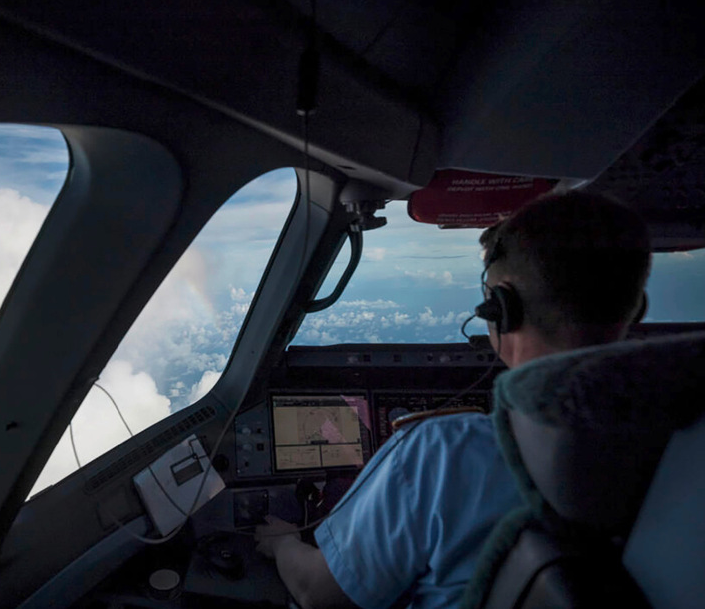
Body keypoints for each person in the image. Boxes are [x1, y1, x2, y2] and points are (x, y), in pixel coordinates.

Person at [255, 190, 652, 609]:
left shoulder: (441, 452)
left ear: (501, 306)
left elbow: (320, 595)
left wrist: (282, 543)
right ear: (636, 309)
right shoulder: (679, 446)